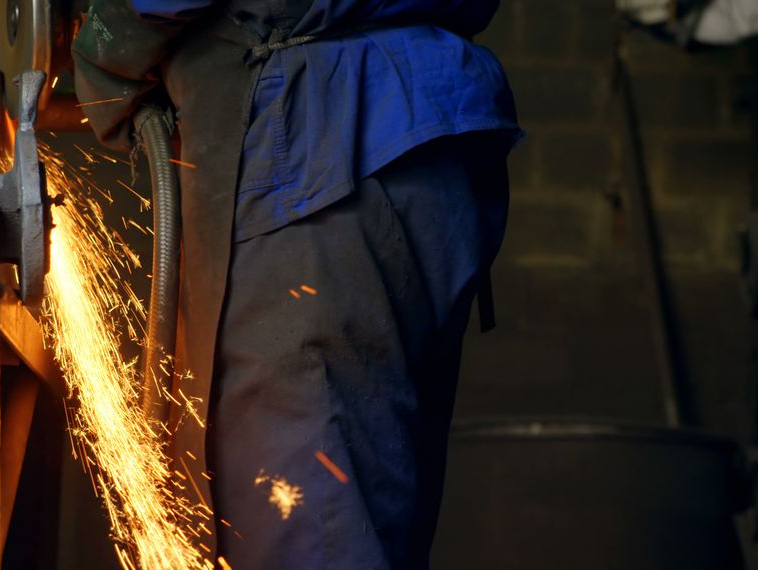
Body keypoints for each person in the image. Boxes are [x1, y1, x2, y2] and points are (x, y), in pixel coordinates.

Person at [72, 0, 521, 567]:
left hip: (314, 139)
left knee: (298, 513)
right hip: (425, 140)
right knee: (368, 504)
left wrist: (104, 42)